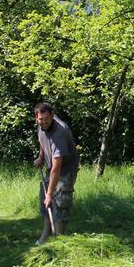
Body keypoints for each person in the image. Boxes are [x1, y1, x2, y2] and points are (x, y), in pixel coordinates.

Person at [33, 102, 79, 243]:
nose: (44, 122)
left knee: (60, 203)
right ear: (36, 118)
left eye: (47, 119)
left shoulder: (60, 133)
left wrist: (49, 194)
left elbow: (56, 168)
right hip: (50, 168)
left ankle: (59, 240)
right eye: (41, 119)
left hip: (65, 170)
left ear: (52, 116)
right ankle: (45, 237)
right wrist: (41, 157)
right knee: (46, 204)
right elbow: (42, 140)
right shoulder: (41, 125)